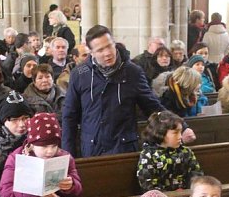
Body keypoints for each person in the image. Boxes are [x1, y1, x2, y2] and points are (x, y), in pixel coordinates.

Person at [63, 25, 163, 157]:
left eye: (110, 46)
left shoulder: (133, 72)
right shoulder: (80, 74)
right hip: (92, 149)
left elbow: (152, 107)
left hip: (124, 148)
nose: (108, 53)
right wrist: (68, 155)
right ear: (91, 53)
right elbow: (69, 116)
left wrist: (181, 127)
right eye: (100, 50)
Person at [0, 112, 82, 197]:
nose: (50, 151)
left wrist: (70, 186)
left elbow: (78, 190)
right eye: (44, 146)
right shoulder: (16, 158)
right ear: (32, 144)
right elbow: (6, 193)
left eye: (54, 146)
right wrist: (37, 194)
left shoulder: (64, 157)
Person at [137, 110, 202, 192]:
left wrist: (188, 190)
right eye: (175, 133)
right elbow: (147, 184)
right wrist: (170, 195)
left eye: (180, 132)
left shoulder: (185, 152)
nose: (180, 137)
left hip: (186, 196)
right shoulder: (148, 155)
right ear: (161, 133)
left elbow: (196, 174)